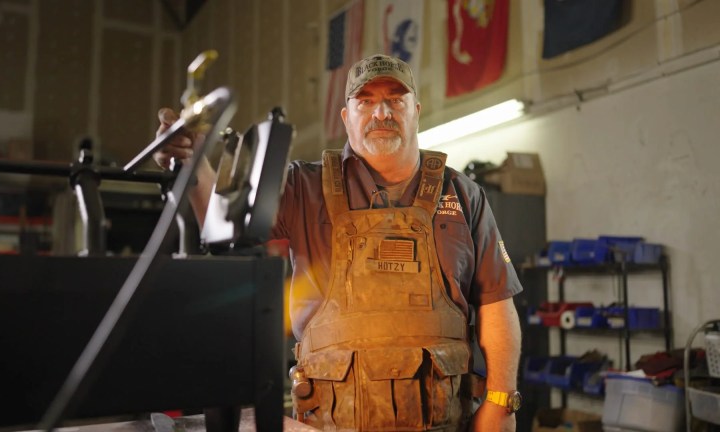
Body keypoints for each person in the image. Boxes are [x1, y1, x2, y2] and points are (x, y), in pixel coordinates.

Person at [154, 54, 522, 432]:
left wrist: (501, 403)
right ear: (347, 117)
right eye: (365, 101)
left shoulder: (463, 194)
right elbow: (221, 223)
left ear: (416, 110)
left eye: (396, 99)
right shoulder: (303, 188)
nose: (381, 113)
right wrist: (192, 161)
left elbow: (497, 302)